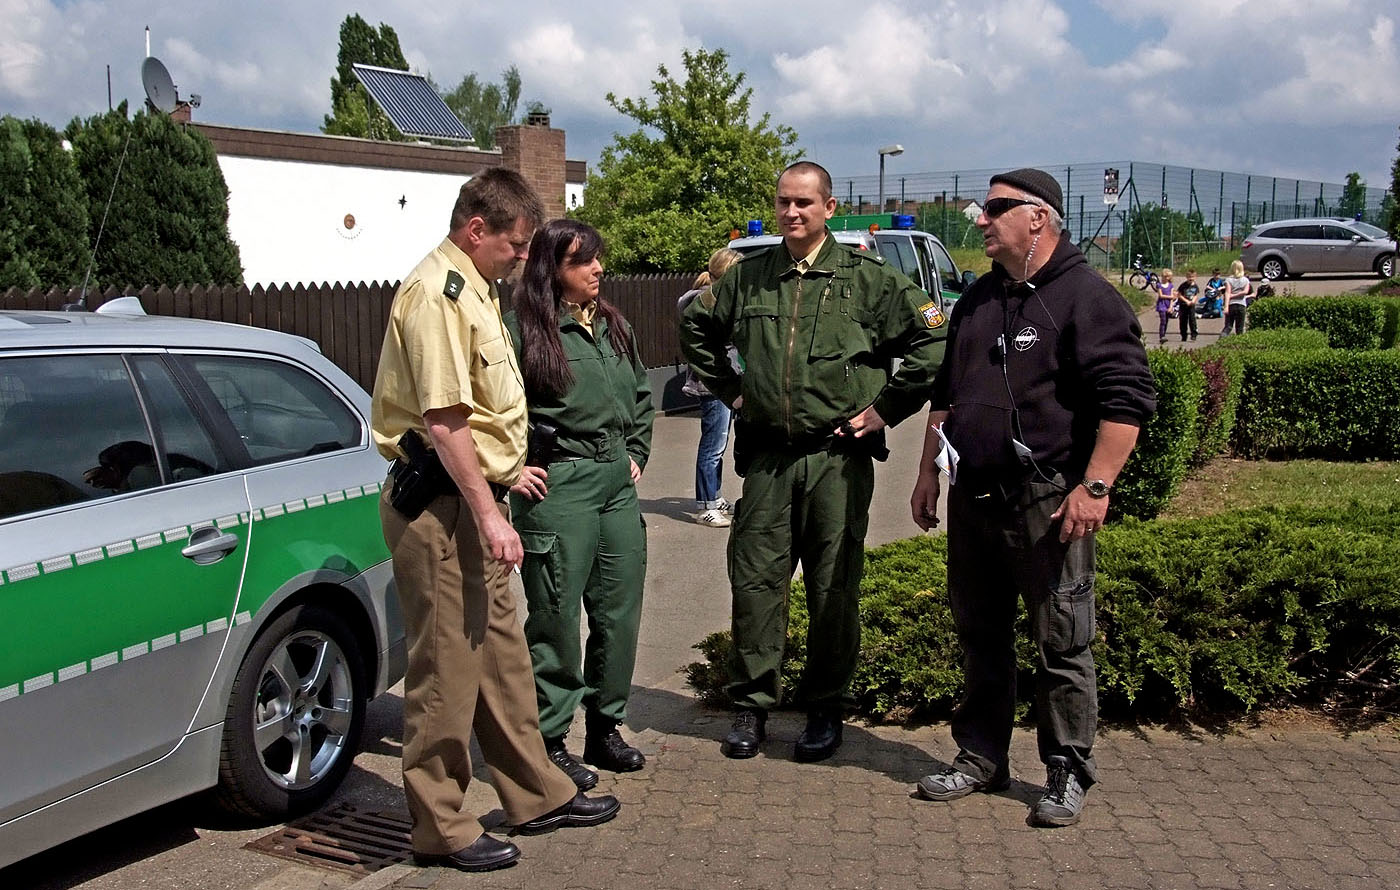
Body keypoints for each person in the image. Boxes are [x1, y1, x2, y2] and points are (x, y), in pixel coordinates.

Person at [371, 168, 619, 873]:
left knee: (503, 657)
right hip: (443, 508)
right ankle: (440, 825)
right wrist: (491, 514)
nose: (522, 258)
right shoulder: (434, 295)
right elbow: (446, 423)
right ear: (476, 229)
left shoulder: (476, 289)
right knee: (447, 669)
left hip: (474, 502)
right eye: (513, 244)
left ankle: (536, 791)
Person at [908, 168, 1154, 827]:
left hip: (1047, 500)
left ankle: (1068, 770)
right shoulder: (979, 298)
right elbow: (947, 396)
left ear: (1038, 220)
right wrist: (930, 473)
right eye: (981, 209)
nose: (980, 220)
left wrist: (1095, 487)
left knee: (1062, 643)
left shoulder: (1086, 298)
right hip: (974, 496)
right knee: (979, 633)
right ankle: (981, 759)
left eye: (994, 209)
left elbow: (1127, 404)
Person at [680, 161, 945, 763]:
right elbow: (695, 326)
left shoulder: (867, 280)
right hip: (770, 459)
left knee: (833, 587)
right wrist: (734, 391)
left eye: (804, 202)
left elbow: (933, 340)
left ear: (828, 207)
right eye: (783, 202)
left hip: (837, 459)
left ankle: (825, 709)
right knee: (755, 583)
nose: (792, 213)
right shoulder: (750, 278)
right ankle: (750, 707)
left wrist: (885, 409)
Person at [505, 219, 654, 791]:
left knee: (618, 611)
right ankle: (548, 739)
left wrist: (636, 449)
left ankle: (605, 727)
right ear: (551, 270)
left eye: (597, 259)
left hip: (616, 479)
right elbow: (493, 406)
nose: (596, 269)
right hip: (559, 483)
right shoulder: (522, 329)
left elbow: (640, 393)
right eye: (580, 261)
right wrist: (512, 468)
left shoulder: (612, 324)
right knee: (558, 617)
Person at [677, 248, 744, 528]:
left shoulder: (714, 300)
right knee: (713, 445)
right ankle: (706, 504)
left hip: (723, 381)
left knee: (718, 443)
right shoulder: (707, 304)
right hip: (713, 384)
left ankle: (713, 499)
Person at [1223, 259, 1252, 336]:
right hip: (1241, 305)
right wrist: (1237, 295)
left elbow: (1227, 293)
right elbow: (1245, 292)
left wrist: (1226, 306)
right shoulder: (1246, 280)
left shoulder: (1228, 280)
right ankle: (1239, 344)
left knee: (1228, 327)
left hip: (1231, 304)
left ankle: (1221, 340)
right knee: (1240, 328)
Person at [1176, 269, 1200, 342]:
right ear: (1186, 277)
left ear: (1195, 277)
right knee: (1183, 320)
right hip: (1183, 305)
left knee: (1192, 320)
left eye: (1192, 277)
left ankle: (1194, 334)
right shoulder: (1183, 285)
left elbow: (1196, 295)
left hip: (1191, 306)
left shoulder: (1195, 286)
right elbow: (1179, 295)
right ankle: (1184, 335)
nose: (1191, 278)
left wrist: (1193, 301)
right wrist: (1186, 301)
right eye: (1189, 277)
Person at [1153, 268, 1174, 346]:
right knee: (1163, 321)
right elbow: (1161, 295)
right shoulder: (1159, 285)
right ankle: (1161, 336)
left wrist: (1171, 307)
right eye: (1165, 276)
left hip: (1168, 305)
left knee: (1167, 321)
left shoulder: (1171, 285)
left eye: (1168, 277)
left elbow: (1172, 298)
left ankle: (1164, 334)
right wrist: (1170, 296)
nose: (1166, 278)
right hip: (1162, 304)